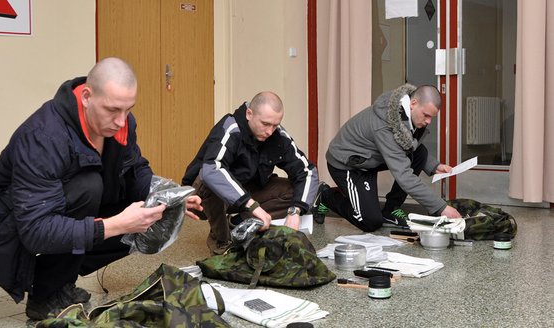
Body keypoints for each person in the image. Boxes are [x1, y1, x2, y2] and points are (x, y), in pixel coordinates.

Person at [0, 57, 203, 321]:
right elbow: (35, 230)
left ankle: (60, 283)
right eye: (113, 110)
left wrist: (166, 198)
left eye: (128, 109)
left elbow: (135, 168)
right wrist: (116, 225)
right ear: (86, 97)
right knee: (88, 188)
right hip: (8, 234)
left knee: (149, 216)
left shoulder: (121, 123)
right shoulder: (43, 137)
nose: (120, 120)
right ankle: (44, 294)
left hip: (56, 215)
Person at [182, 91, 319, 254]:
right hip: (203, 198)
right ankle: (222, 241)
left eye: (275, 125)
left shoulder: (277, 135)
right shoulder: (230, 128)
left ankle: (238, 223)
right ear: (249, 114)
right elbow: (212, 169)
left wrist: (295, 211)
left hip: (246, 193)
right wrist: (252, 206)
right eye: (265, 124)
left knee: (293, 191)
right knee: (212, 180)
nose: (270, 131)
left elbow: (307, 171)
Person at [313, 84, 462, 231]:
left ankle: (391, 209)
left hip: (369, 159)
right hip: (348, 165)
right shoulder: (385, 127)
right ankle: (326, 196)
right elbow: (404, 176)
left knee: (419, 154)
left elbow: (411, 146)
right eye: (426, 115)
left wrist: (434, 166)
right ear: (413, 104)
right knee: (370, 221)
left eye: (432, 117)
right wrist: (441, 207)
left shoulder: (405, 114)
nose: (429, 121)